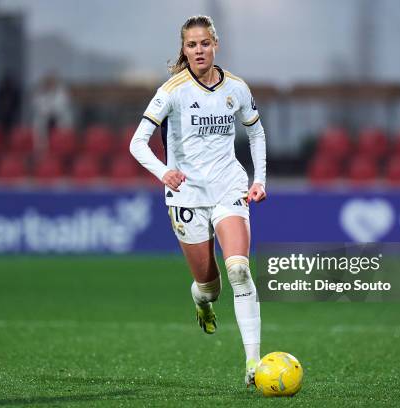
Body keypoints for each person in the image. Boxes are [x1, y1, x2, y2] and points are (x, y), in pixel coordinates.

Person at [129, 15, 267, 387]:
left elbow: (255, 133)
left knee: (239, 270)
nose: (199, 50)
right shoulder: (172, 90)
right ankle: (202, 303)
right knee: (210, 286)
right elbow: (136, 142)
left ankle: (253, 363)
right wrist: (164, 172)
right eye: (191, 45)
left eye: (204, 43)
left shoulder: (236, 88)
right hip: (187, 194)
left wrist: (258, 180)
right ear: (184, 49)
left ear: (215, 44)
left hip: (228, 188)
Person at [32, 73, 73, 150]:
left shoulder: (62, 92)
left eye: (52, 82)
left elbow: (61, 107)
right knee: (38, 122)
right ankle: (41, 149)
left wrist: (51, 110)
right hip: (45, 117)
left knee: (64, 123)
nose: (51, 85)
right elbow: (38, 106)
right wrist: (48, 110)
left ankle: (61, 148)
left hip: (59, 117)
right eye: (49, 83)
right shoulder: (40, 92)